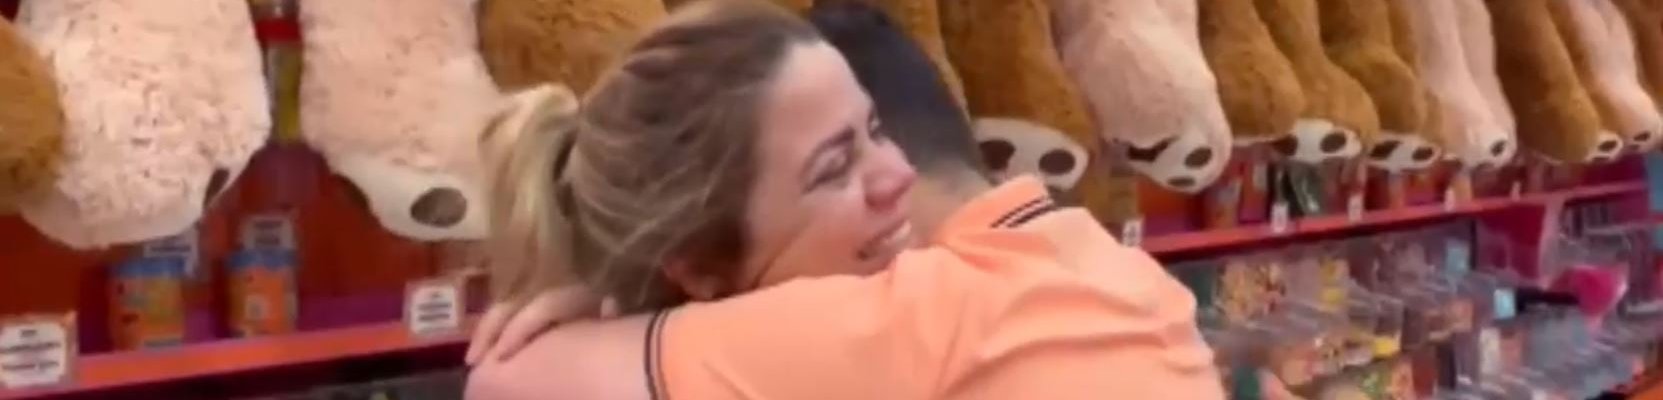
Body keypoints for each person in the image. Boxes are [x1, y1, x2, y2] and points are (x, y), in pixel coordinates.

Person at [467, 1, 1224, 399]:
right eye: (833, 167)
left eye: (873, 131)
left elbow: (508, 381)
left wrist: (605, 313)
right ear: (698, 268)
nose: (894, 173)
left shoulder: (928, 314)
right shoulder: (1098, 263)